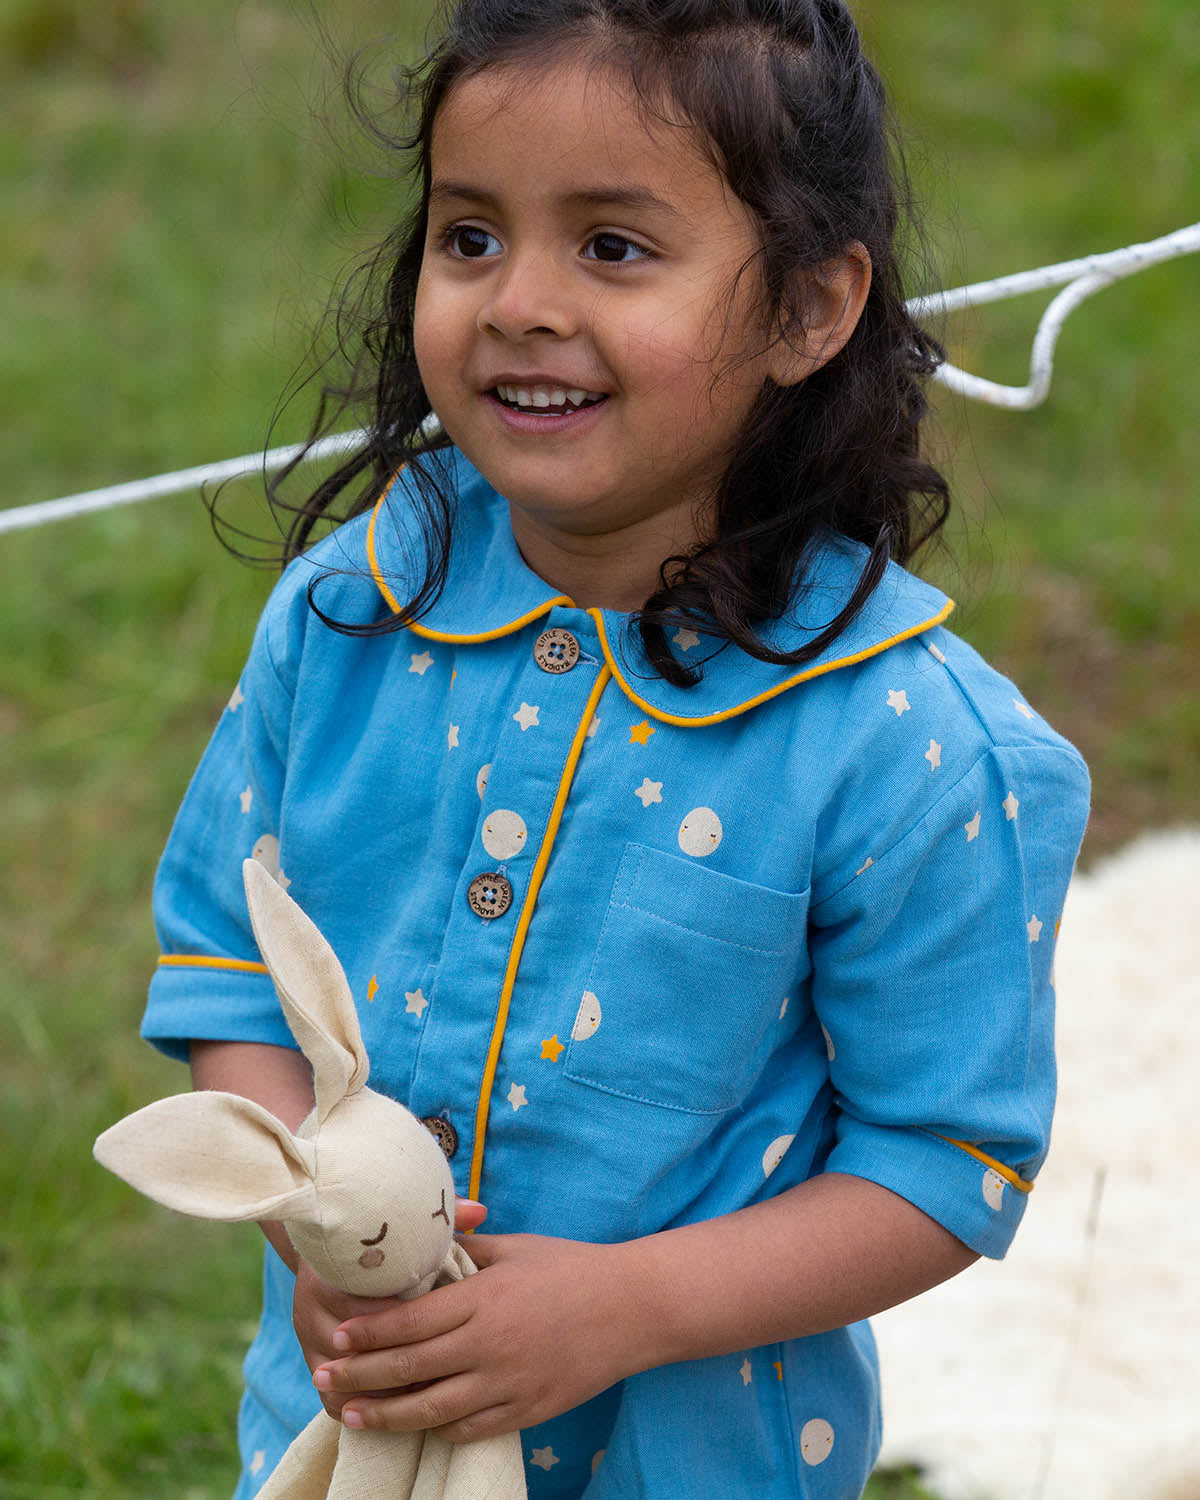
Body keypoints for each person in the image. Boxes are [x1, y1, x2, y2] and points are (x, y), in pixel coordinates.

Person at [141, 1, 1091, 1495]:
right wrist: (316, 1222)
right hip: (353, 1434)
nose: (518, 300)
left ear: (806, 310)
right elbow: (228, 962)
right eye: (470, 236)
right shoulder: (350, 611)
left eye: (613, 247)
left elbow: (941, 1161)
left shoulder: (909, 746)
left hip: (694, 1458)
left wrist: (622, 1310)